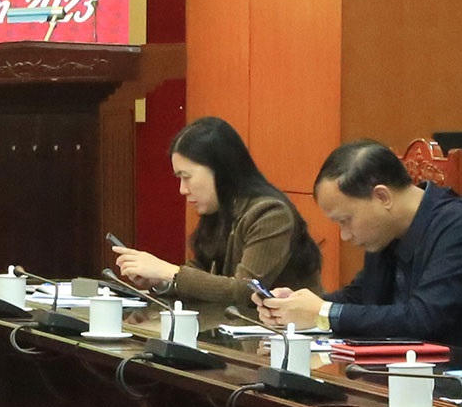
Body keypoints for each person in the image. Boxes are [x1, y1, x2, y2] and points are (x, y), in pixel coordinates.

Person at [259, 141, 462, 358]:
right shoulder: (387, 232)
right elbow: (361, 296)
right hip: (420, 376)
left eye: (346, 220)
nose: (344, 235)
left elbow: (422, 319)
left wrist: (323, 312)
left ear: (382, 196)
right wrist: (296, 307)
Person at [113, 117, 323, 307]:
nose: (182, 189)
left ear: (219, 170)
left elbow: (244, 291)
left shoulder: (271, 214)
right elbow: (202, 274)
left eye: (187, 177)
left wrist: (168, 271)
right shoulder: (220, 210)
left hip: (282, 333)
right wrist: (160, 281)